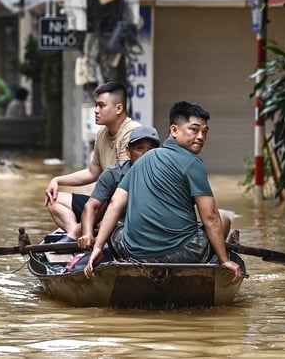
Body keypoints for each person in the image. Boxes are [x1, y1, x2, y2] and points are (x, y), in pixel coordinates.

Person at [83, 101, 242, 284]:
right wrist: (224, 260)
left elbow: (114, 204)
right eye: (194, 130)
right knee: (224, 219)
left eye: (204, 132)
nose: (200, 137)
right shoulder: (193, 163)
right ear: (174, 130)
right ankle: (212, 262)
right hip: (182, 254)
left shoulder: (141, 160)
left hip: (131, 252)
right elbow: (211, 218)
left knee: (115, 227)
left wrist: (98, 246)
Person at [44, 81, 140, 241]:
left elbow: (121, 189)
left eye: (101, 105)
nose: (95, 110)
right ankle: (74, 231)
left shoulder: (132, 133)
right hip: (102, 200)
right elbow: (92, 172)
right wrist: (57, 180)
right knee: (53, 200)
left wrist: (89, 221)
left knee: (102, 207)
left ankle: (79, 232)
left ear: (118, 108)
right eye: (96, 105)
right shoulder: (102, 134)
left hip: (122, 205)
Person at [76, 125, 161, 251]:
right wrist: (87, 233)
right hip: (120, 229)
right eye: (139, 149)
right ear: (128, 151)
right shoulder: (113, 174)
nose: (145, 155)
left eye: (151, 150)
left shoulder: (165, 175)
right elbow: (91, 207)